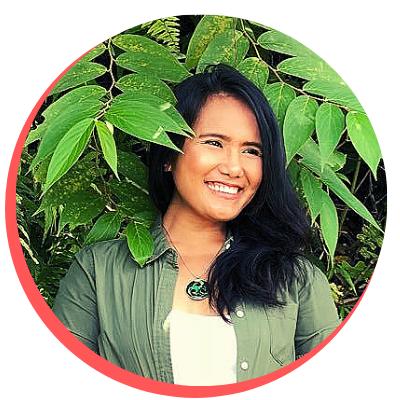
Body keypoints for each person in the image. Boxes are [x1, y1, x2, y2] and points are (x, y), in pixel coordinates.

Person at [52, 63, 341, 386]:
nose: (234, 168)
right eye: (214, 143)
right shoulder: (98, 271)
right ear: (168, 154)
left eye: (251, 150)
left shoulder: (296, 280)